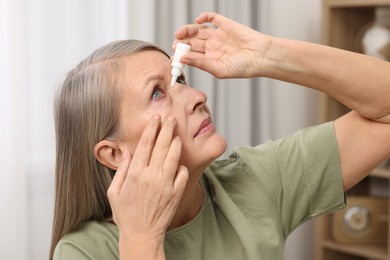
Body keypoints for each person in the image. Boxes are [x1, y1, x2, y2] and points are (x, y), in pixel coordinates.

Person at [50, 12, 390, 260]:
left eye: (178, 81)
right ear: (114, 154)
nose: (198, 97)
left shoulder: (255, 182)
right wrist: (142, 239)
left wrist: (269, 55)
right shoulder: (85, 251)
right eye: (157, 93)